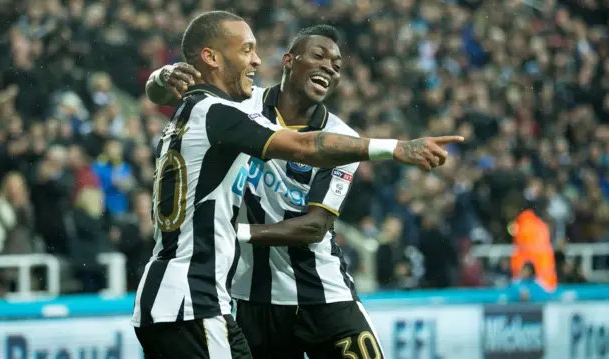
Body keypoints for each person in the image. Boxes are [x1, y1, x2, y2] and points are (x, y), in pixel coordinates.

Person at [134, 11, 462, 359]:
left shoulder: (343, 140)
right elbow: (168, 91)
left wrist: (237, 232)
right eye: (319, 56)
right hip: (246, 295)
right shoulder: (240, 105)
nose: (330, 67)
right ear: (290, 61)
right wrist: (163, 75)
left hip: (320, 293)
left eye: (337, 64)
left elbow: (315, 226)